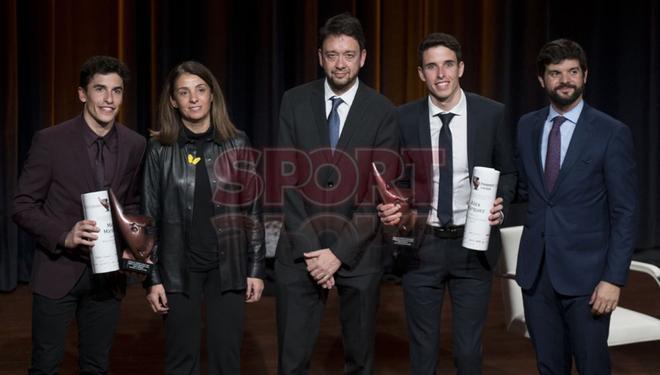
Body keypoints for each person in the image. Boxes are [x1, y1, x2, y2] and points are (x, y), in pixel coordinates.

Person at [377, 33, 517, 374]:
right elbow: (396, 178)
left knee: (468, 353)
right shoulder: (403, 118)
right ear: (421, 74)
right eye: (432, 66)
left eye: (448, 64)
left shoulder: (491, 114)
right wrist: (395, 205)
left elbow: (510, 173)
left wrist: (501, 203)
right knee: (423, 353)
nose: (441, 74)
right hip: (423, 248)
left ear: (461, 68)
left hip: (474, 247)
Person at [274, 13, 399, 374]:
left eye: (348, 54)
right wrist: (316, 253)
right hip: (301, 251)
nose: (340, 63)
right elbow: (286, 179)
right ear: (319, 57)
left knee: (359, 361)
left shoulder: (383, 111)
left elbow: (378, 192)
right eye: (332, 54)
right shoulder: (293, 101)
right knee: (292, 361)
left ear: (362, 58)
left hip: (358, 253)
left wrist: (338, 253)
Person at [12, 56, 146, 374]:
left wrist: (136, 240)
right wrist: (64, 234)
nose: (109, 99)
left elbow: (133, 204)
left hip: (109, 276)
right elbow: (22, 205)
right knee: (45, 364)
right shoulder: (50, 141)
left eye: (117, 90)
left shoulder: (135, 144)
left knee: (97, 365)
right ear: (82, 94)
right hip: (58, 271)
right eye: (100, 89)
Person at [515, 38, 637, 374]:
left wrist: (613, 279)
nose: (565, 80)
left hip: (589, 280)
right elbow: (525, 191)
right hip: (537, 276)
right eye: (556, 73)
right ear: (542, 80)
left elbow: (624, 213)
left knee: (592, 366)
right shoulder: (527, 126)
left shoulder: (611, 133)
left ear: (585, 75)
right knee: (549, 367)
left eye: (572, 72)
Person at [142, 61, 265, 374]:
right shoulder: (159, 148)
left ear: (212, 96)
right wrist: (151, 277)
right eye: (183, 92)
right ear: (173, 101)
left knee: (227, 360)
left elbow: (252, 209)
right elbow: (149, 217)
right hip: (177, 270)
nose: (193, 98)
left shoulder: (237, 142)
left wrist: (255, 268)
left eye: (200, 90)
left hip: (228, 268)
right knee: (181, 361)